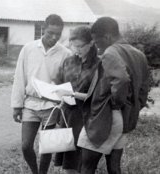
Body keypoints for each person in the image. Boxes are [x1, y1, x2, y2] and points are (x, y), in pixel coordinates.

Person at [55, 17, 149, 174]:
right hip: (126, 117)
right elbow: (144, 88)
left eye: (97, 41)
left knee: (86, 165)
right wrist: (133, 107)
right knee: (113, 165)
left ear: (107, 37)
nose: (97, 46)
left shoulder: (111, 52)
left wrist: (116, 104)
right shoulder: (138, 54)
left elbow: (122, 80)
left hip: (107, 117)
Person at [11, 14, 71, 174]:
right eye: (50, 33)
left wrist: (61, 103)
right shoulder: (28, 48)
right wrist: (17, 106)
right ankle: (35, 171)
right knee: (26, 145)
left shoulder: (65, 53)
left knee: (47, 146)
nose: (54, 37)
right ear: (43, 29)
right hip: (30, 104)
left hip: (52, 106)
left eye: (58, 34)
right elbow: (19, 77)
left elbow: (68, 83)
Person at [54, 26, 100, 174]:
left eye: (80, 46)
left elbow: (100, 95)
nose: (76, 50)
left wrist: (74, 94)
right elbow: (59, 82)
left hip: (86, 118)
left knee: (82, 163)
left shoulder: (99, 65)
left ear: (91, 43)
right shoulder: (68, 62)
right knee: (67, 164)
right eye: (74, 46)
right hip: (67, 115)